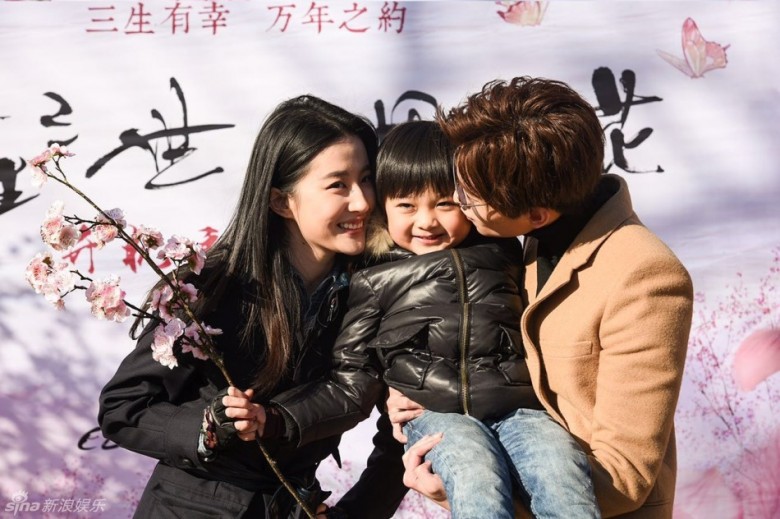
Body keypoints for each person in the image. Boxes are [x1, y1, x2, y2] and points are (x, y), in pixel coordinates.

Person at [257, 120, 600, 518]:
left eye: (445, 203)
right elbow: (352, 377)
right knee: (475, 472)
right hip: (435, 415)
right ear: (382, 207)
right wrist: (279, 418)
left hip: (519, 410)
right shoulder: (373, 279)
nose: (426, 221)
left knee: (562, 470)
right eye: (406, 205)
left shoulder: (504, 251)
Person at [391, 76, 694, 518]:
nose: (457, 201)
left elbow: (624, 477)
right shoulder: (516, 241)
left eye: (470, 200)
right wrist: (420, 392)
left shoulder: (646, 277)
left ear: (536, 214)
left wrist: (469, 489)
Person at [98, 95, 402, 518]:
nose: (363, 202)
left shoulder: (381, 289)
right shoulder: (210, 287)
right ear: (280, 201)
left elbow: (401, 433)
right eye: (338, 185)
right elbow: (123, 408)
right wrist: (207, 428)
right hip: (190, 508)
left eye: (366, 179)